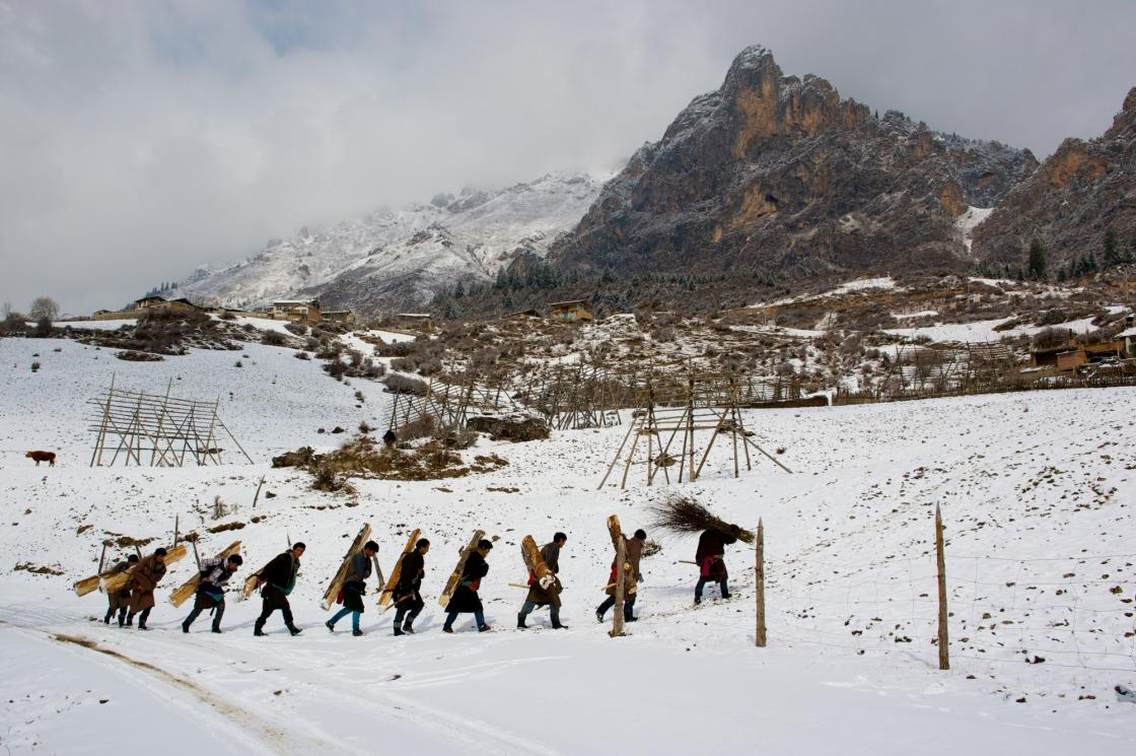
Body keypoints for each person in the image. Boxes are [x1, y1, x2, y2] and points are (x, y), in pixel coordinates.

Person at [325, 541, 378, 636]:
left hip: (356, 585)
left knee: (350, 607)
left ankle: (331, 622)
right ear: (368, 549)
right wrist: (365, 572)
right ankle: (355, 629)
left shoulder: (367, 559)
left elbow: (368, 573)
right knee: (358, 607)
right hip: (350, 584)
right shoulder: (358, 557)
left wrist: (365, 572)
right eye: (373, 552)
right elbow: (362, 573)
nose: (373, 554)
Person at [182, 553, 243, 633]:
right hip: (205, 586)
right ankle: (186, 623)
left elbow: (221, 580)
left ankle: (215, 627)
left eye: (237, 566)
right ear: (231, 561)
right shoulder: (219, 561)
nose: (235, 567)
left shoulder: (230, 571)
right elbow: (204, 562)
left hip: (215, 588)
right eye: (235, 565)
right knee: (199, 607)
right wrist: (204, 575)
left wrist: (219, 584)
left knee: (221, 605)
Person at [518, 532, 567, 630]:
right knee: (554, 600)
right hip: (545, 578)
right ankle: (556, 623)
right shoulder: (555, 548)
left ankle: (521, 621)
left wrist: (555, 568)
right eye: (564, 541)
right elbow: (549, 562)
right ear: (561, 540)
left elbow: (545, 561)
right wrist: (549, 574)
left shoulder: (548, 546)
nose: (564, 544)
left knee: (532, 598)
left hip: (539, 577)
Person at [254, 542, 305, 637]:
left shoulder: (296, 562)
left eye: (302, 551)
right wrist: (261, 577)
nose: (300, 552)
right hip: (273, 587)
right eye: (298, 550)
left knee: (267, 610)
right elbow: (270, 566)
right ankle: (291, 628)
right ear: (293, 549)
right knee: (285, 605)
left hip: (279, 588)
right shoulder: (284, 557)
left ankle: (257, 629)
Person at [596, 529, 646, 623]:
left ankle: (600, 611)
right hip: (628, 574)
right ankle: (628, 617)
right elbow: (635, 562)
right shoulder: (636, 545)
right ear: (641, 538)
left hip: (618, 573)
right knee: (630, 595)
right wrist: (636, 575)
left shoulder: (627, 543)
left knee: (615, 595)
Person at [442, 539, 493, 633]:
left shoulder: (474, 556)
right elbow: (480, 572)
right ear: (482, 548)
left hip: (465, 586)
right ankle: (481, 626)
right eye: (487, 550)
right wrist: (486, 566)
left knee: (457, 607)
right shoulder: (475, 557)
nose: (487, 553)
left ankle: (447, 626)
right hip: (467, 586)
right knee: (477, 607)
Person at [393, 538, 430, 636]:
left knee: (419, 605)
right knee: (402, 607)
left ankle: (407, 625)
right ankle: (397, 629)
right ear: (421, 547)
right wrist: (407, 588)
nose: (427, 550)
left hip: (413, 588)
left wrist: (420, 573)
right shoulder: (411, 557)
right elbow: (406, 573)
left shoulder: (419, 557)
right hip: (405, 587)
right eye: (426, 548)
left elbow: (419, 573)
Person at [126, 548, 168, 630]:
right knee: (134, 606)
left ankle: (142, 622)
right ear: (157, 555)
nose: (162, 558)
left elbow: (158, 578)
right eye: (161, 556)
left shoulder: (162, 566)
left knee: (149, 605)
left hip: (149, 587)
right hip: (138, 586)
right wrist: (142, 583)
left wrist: (150, 576)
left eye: (163, 557)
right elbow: (136, 571)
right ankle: (129, 619)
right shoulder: (146, 560)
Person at [694, 528, 737, 604]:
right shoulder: (719, 532)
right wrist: (734, 531)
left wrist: (698, 559)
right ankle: (725, 595)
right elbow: (731, 540)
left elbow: (699, 548)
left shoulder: (704, 534)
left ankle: (697, 597)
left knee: (703, 578)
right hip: (717, 561)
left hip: (706, 561)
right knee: (723, 577)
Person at [104, 554, 138, 626]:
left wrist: (130, 586)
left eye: (135, 563)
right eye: (133, 563)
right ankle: (107, 618)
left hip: (125, 590)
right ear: (129, 562)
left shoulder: (135, 570)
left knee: (124, 606)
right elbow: (112, 573)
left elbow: (133, 581)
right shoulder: (122, 565)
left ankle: (121, 623)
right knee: (113, 606)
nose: (134, 565)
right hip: (115, 589)